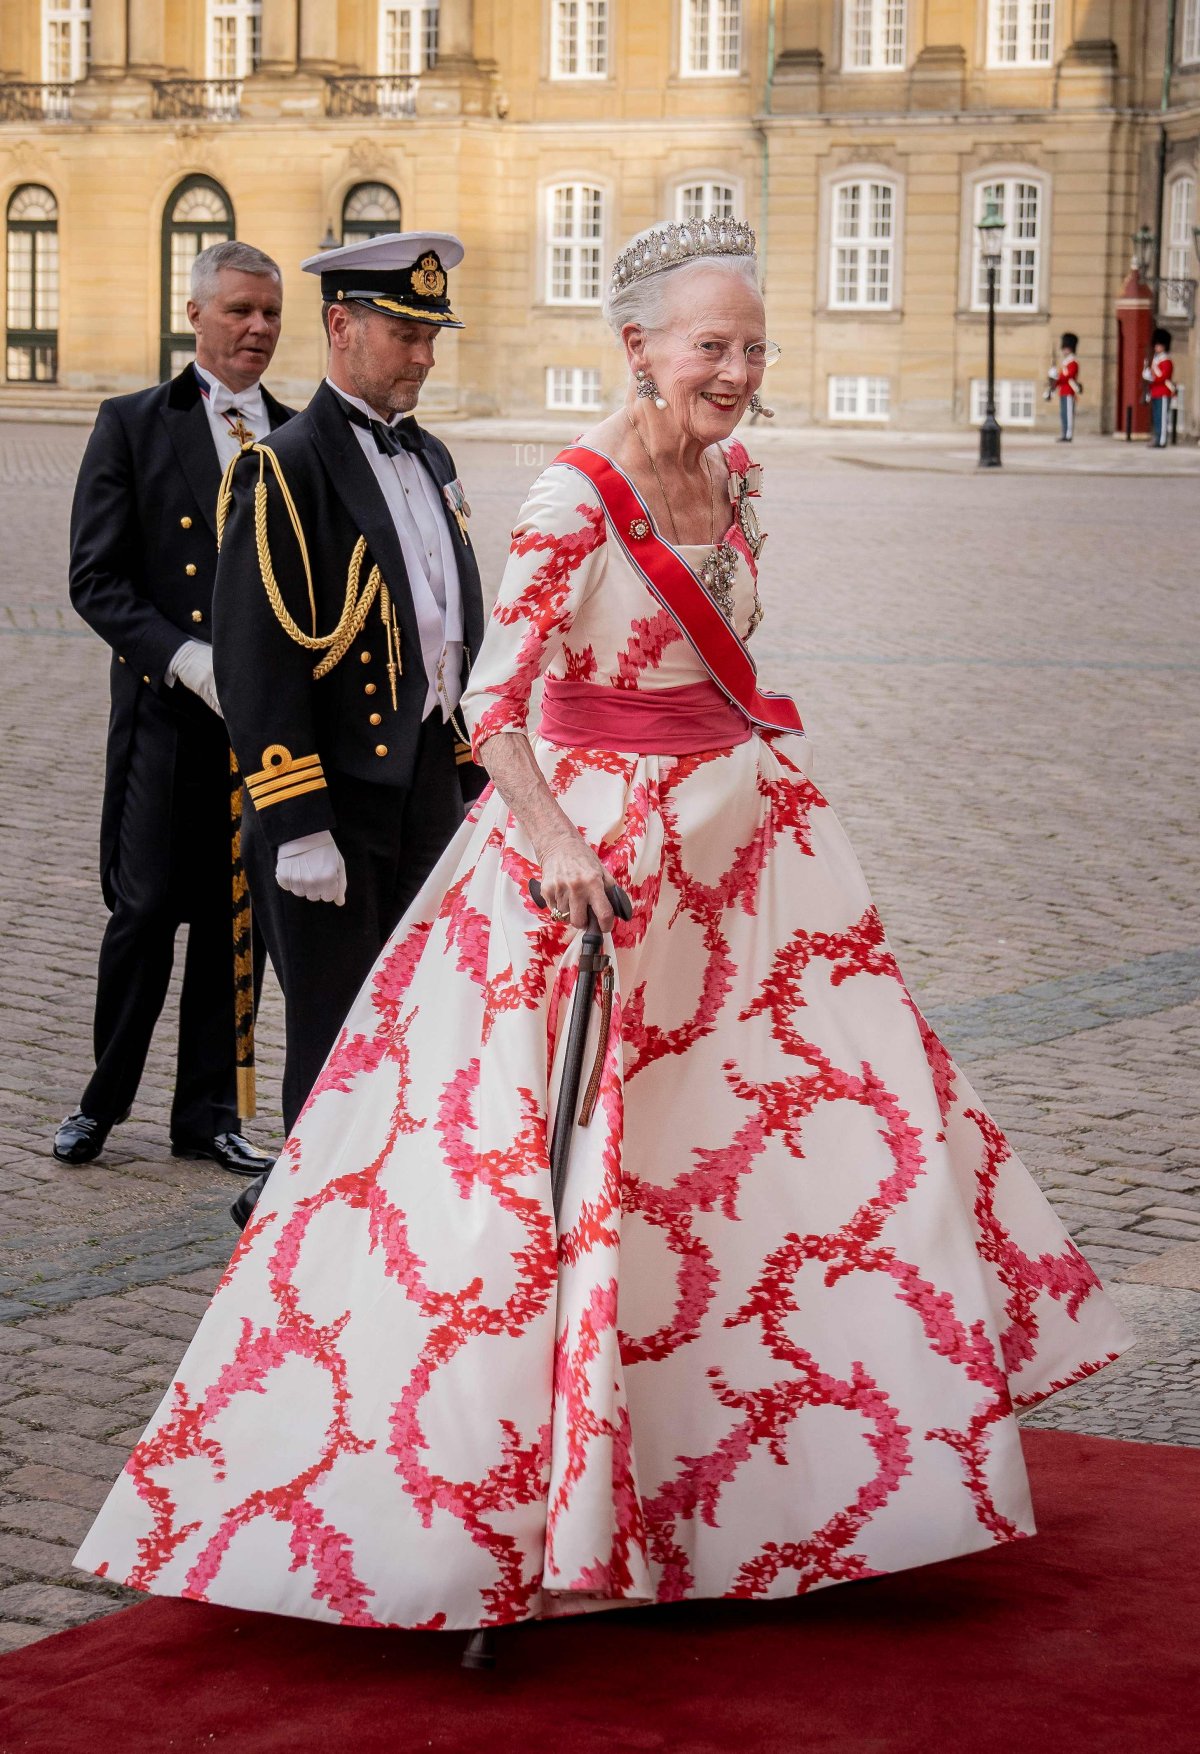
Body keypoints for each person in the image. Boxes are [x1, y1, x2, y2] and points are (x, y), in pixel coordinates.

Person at [75, 219, 1131, 1638]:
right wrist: (558, 838)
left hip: (747, 859)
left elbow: (724, 653)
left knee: (813, 1147)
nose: (739, 371)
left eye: (754, 346)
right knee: (559, 1185)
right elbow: (496, 701)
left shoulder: (741, 478)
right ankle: (532, 1498)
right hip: (601, 873)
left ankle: (787, 1481)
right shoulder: (573, 496)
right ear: (637, 347)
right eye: (712, 346)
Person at [211, 232, 486, 1228]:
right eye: (406, 332)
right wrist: (295, 821)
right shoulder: (283, 471)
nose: (423, 354)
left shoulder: (433, 454)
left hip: (419, 790)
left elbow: (448, 629)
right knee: (334, 1042)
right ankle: (304, 1236)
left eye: (430, 334)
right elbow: (256, 660)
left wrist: (467, 773)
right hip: (329, 803)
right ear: (341, 326)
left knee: (416, 1024)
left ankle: (378, 1227)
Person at [57, 242, 293, 1175]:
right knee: (147, 912)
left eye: (271, 313)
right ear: (194, 314)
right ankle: (100, 1103)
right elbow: (95, 580)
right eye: (239, 311)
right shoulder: (132, 424)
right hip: (168, 714)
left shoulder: (298, 431)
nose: (258, 329)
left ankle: (207, 1116)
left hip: (263, 731)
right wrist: (190, 660)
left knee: (235, 921)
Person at [1046, 331, 1081, 441]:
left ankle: (1068, 435)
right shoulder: (1066, 363)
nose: (1064, 350)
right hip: (1063, 391)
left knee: (1068, 415)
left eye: (1066, 348)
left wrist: (1057, 377)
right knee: (1064, 414)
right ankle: (1064, 434)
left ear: (1070, 349)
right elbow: (1061, 378)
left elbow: (1068, 376)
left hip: (1069, 391)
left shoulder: (1073, 363)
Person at [1144, 327, 1175, 448]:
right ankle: (1157, 437)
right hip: (1155, 392)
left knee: (1162, 418)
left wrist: (1153, 370)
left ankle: (1162, 440)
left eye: (1159, 345)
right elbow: (1151, 376)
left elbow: (1162, 377)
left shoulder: (1166, 361)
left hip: (1163, 392)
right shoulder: (1156, 360)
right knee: (1156, 417)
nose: (1156, 347)